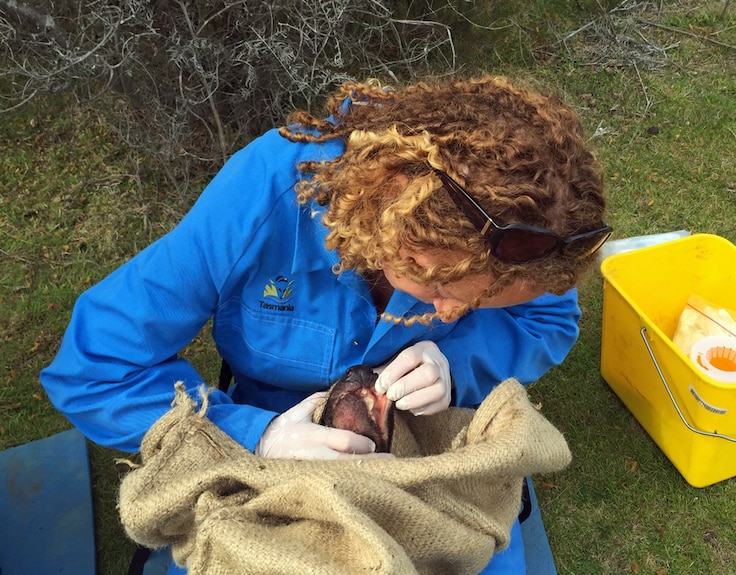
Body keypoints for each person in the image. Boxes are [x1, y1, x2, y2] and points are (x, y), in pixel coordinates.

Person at [41, 76, 609, 574]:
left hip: (425, 435)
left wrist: (458, 364)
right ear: (396, 224)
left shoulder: (530, 256)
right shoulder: (265, 196)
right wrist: (252, 436)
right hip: (265, 431)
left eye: (478, 306)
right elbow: (93, 370)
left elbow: (549, 315)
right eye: (439, 290)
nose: (449, 316)